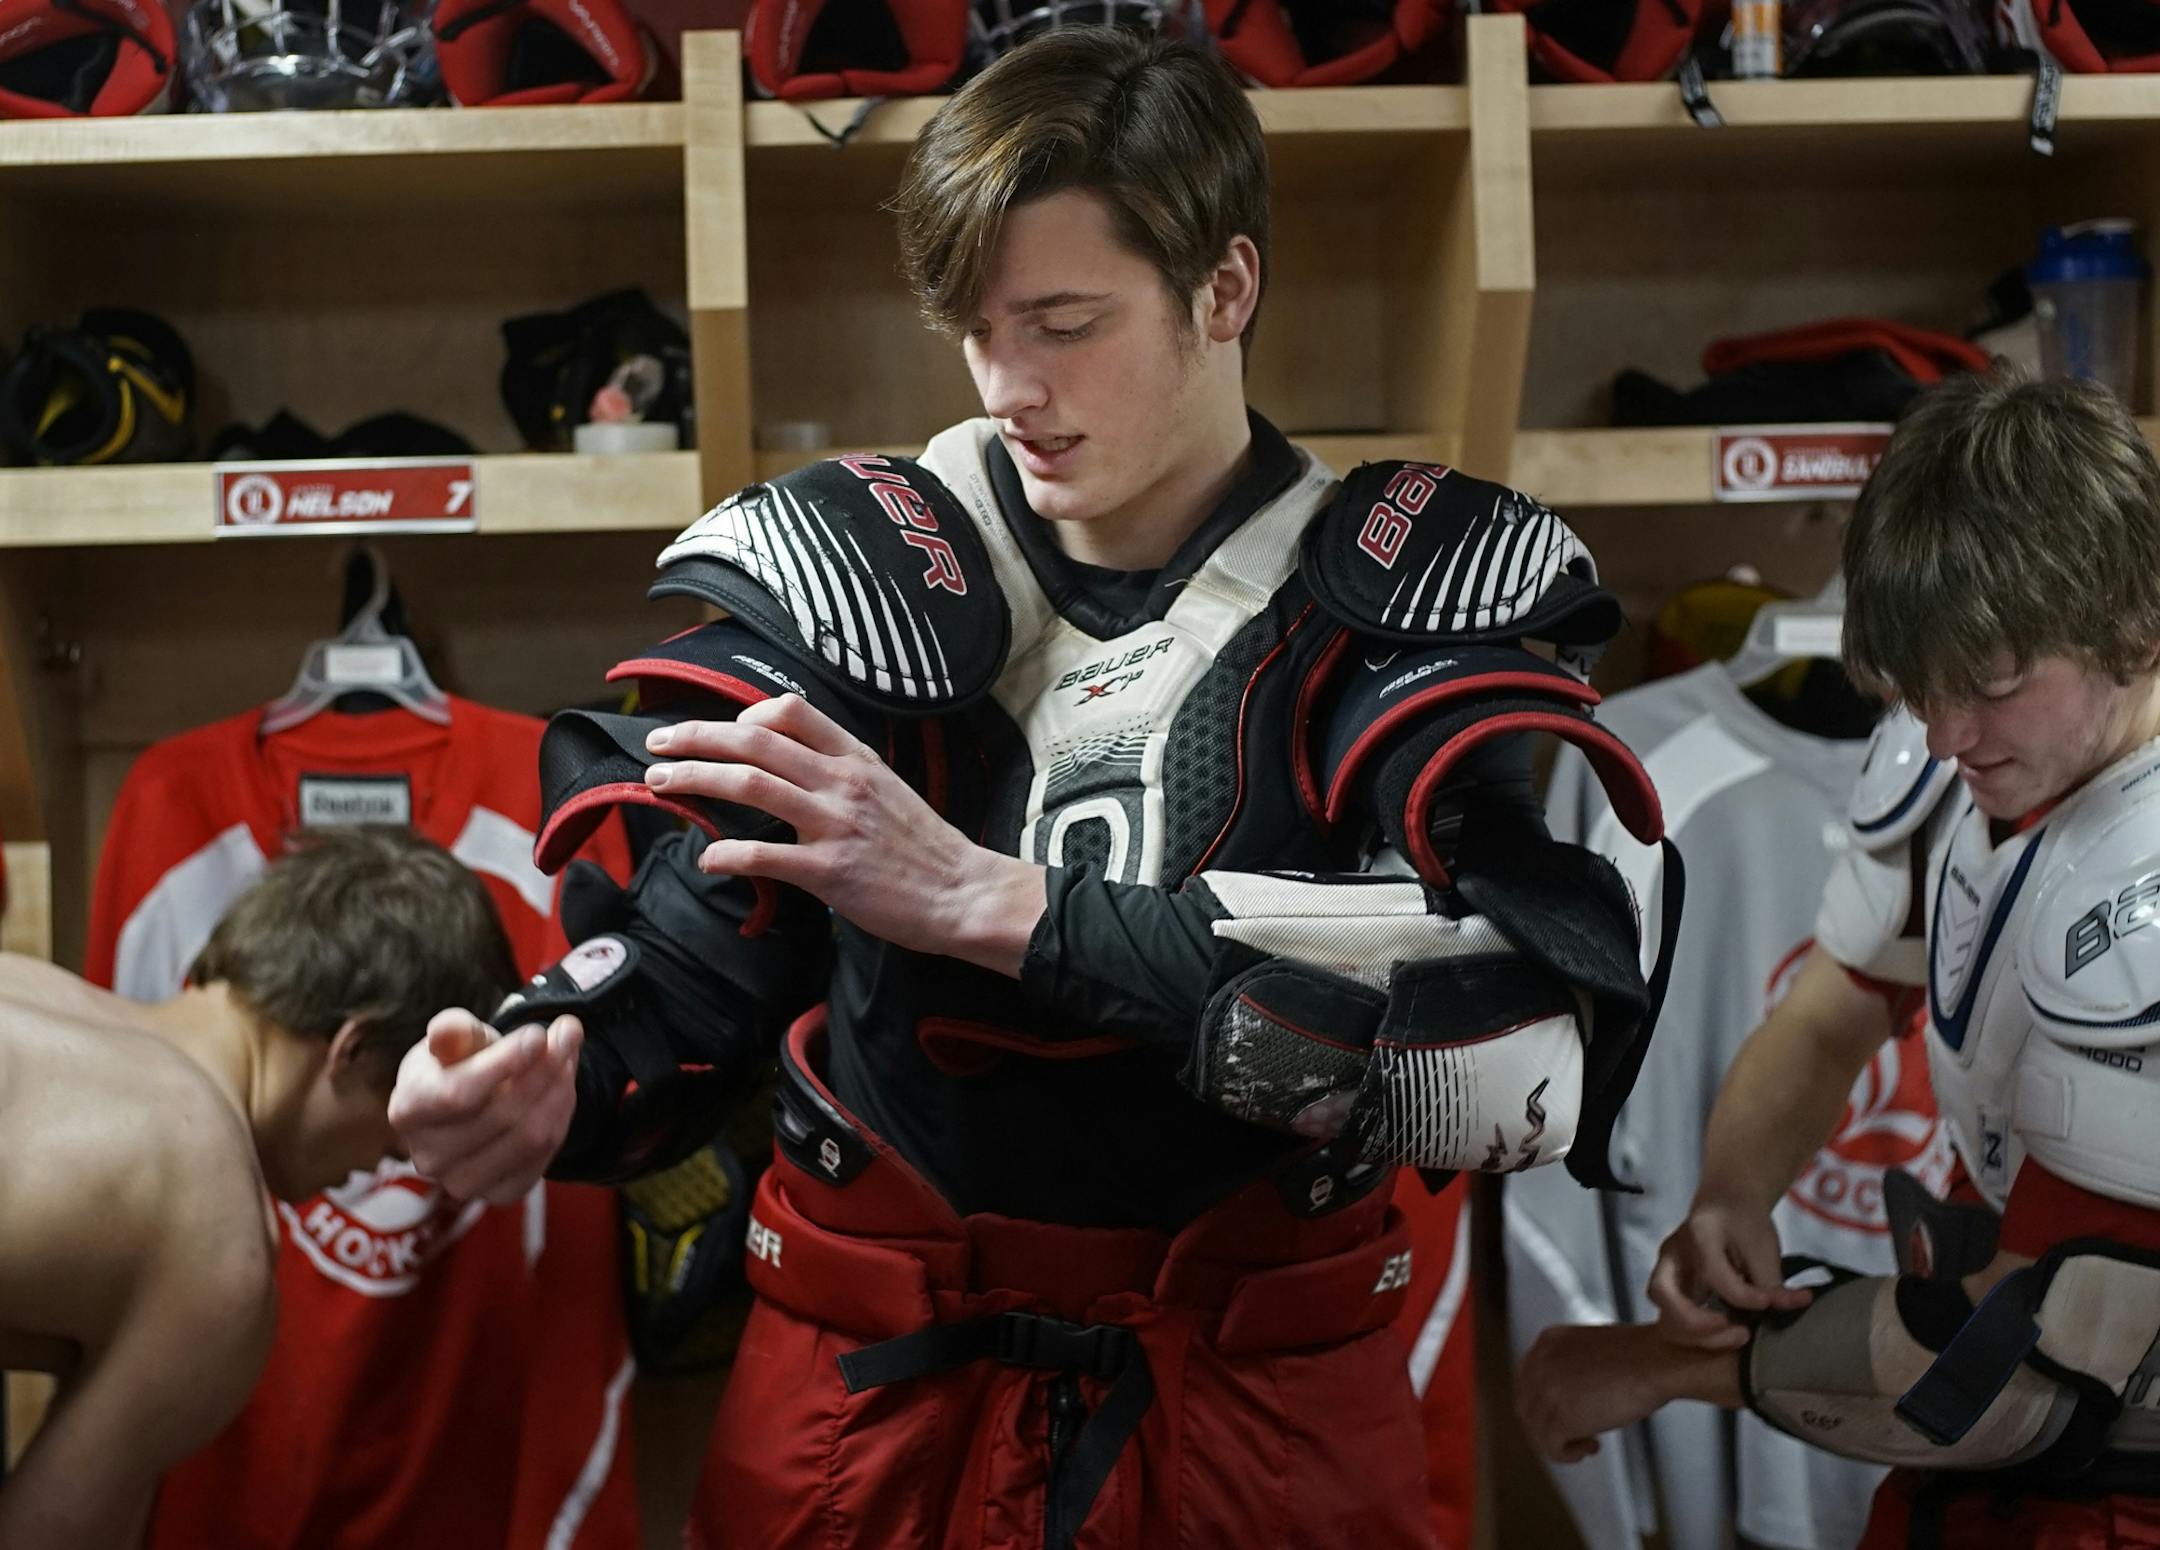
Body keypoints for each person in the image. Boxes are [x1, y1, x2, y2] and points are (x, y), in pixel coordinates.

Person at [392, 24, 1677, 1549]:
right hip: (864, 1415)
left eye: (1066, 322)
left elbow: (1511, 1047)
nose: (1013, 383)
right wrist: (549, 1067)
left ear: (1225, 289)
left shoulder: (1402, 598)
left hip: (1254, 1426)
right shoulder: (848, 571)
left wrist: (1003, 909)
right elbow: (692, 956)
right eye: (979, 328)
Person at [1516, 370, 2160, 1549]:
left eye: (1996, 687)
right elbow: (1830, 1010)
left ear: (2136, 624)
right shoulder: (1979, 758)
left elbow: (2044, 1358)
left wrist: (1657, 1367)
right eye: (1928, 689)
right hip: (1989, 1452)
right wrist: (1729, 1192)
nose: (1952, 733)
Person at [0, 825, 517, 1548]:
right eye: (397, 1127)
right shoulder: (213, 1228)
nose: (399, 1158)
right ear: (354, 1049)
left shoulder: (27, 986)